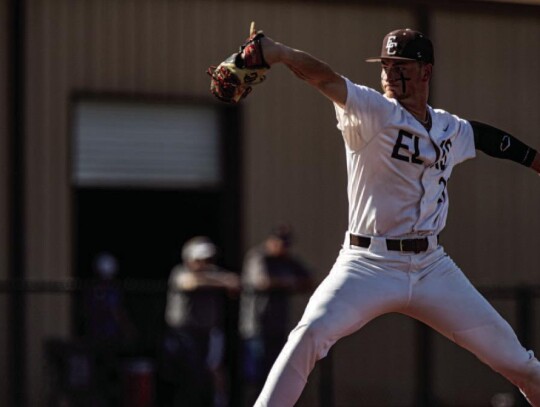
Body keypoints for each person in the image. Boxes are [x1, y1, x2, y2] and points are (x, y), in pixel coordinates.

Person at [242, 28, 540, 406]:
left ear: (425, 72)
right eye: (385, 65)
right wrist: (280, 53)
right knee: (309, 335)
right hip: (368, 263)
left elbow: (490, 139)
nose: (389, 73)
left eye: (401, 66)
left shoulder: (449, 127)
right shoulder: (372, 110)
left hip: (433, 266)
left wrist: (535, 161)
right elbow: (324, 77)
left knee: (521, 365)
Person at [160, 236, 240, 407]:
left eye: (208, 259)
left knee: (209, 373)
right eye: (200, 259)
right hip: (182, 335)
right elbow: (190, 283)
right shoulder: (180, 272)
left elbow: (234, 283)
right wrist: (219, 281)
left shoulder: (214, 273)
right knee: (183, 377)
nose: (204, 263)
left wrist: (219, 279)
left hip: (207, 333)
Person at [239, 224, 313, 401]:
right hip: (256, 327)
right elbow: (262, 282)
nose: (283, 247)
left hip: (279, 325)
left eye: (286, 244)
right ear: (271, 241)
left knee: (277, 374)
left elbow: (309, 280)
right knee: (255, 376)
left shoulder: (287, 260)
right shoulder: (258, 257)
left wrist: (285, 282)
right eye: (279, 242)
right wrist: (289, 283)